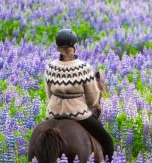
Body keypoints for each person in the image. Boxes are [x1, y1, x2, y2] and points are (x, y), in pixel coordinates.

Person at [44, 28, 114, 160]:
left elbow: (49, 94)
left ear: (58, 47)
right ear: (73, 47)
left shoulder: (50, 67)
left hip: (53, 113)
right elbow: (93, 98)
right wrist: (86, 104)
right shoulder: (83, 68)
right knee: (108, 142)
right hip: (78, 114)